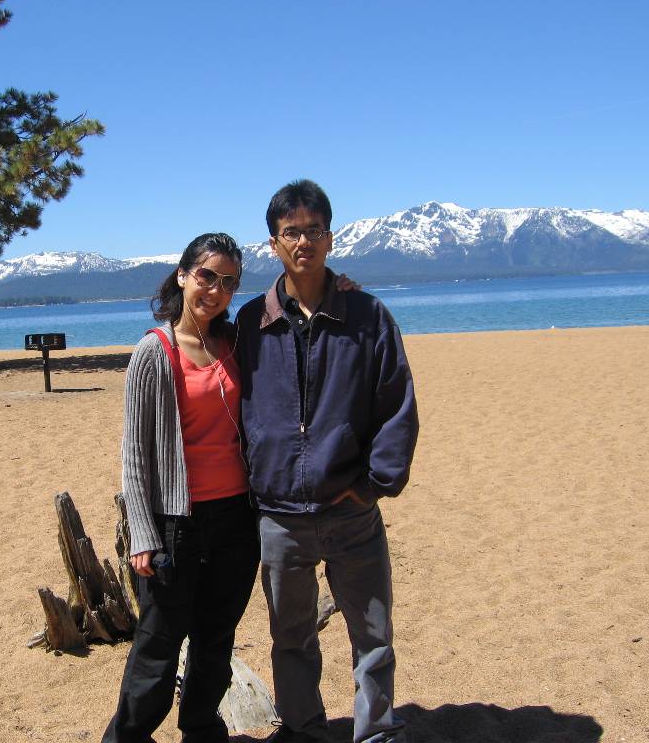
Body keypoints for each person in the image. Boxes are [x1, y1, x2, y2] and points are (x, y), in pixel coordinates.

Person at [235, 180, 419, 743]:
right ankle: (303, 729)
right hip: (279, 516)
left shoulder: (367, 315)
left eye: (314, 230)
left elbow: (396, 404)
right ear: (274, 244)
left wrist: (373, 484)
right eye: (291, 232)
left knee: (373, 635)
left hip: (351, 510)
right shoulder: (251, 323)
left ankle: (376, 732)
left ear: (331, 238)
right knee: (290, 638)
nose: (304, 242)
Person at [103, 232, 260, 743]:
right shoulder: (155, 350)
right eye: (207, 276)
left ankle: (201, 728)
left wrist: (337, 287)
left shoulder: (236, 342)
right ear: (183, 275)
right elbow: (135, 454)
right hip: (177, 524)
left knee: (216, 639)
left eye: (228, 282)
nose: (216, 290)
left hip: (237, 518)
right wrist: (142, 534)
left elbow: (293, 311)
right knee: (158, 643)